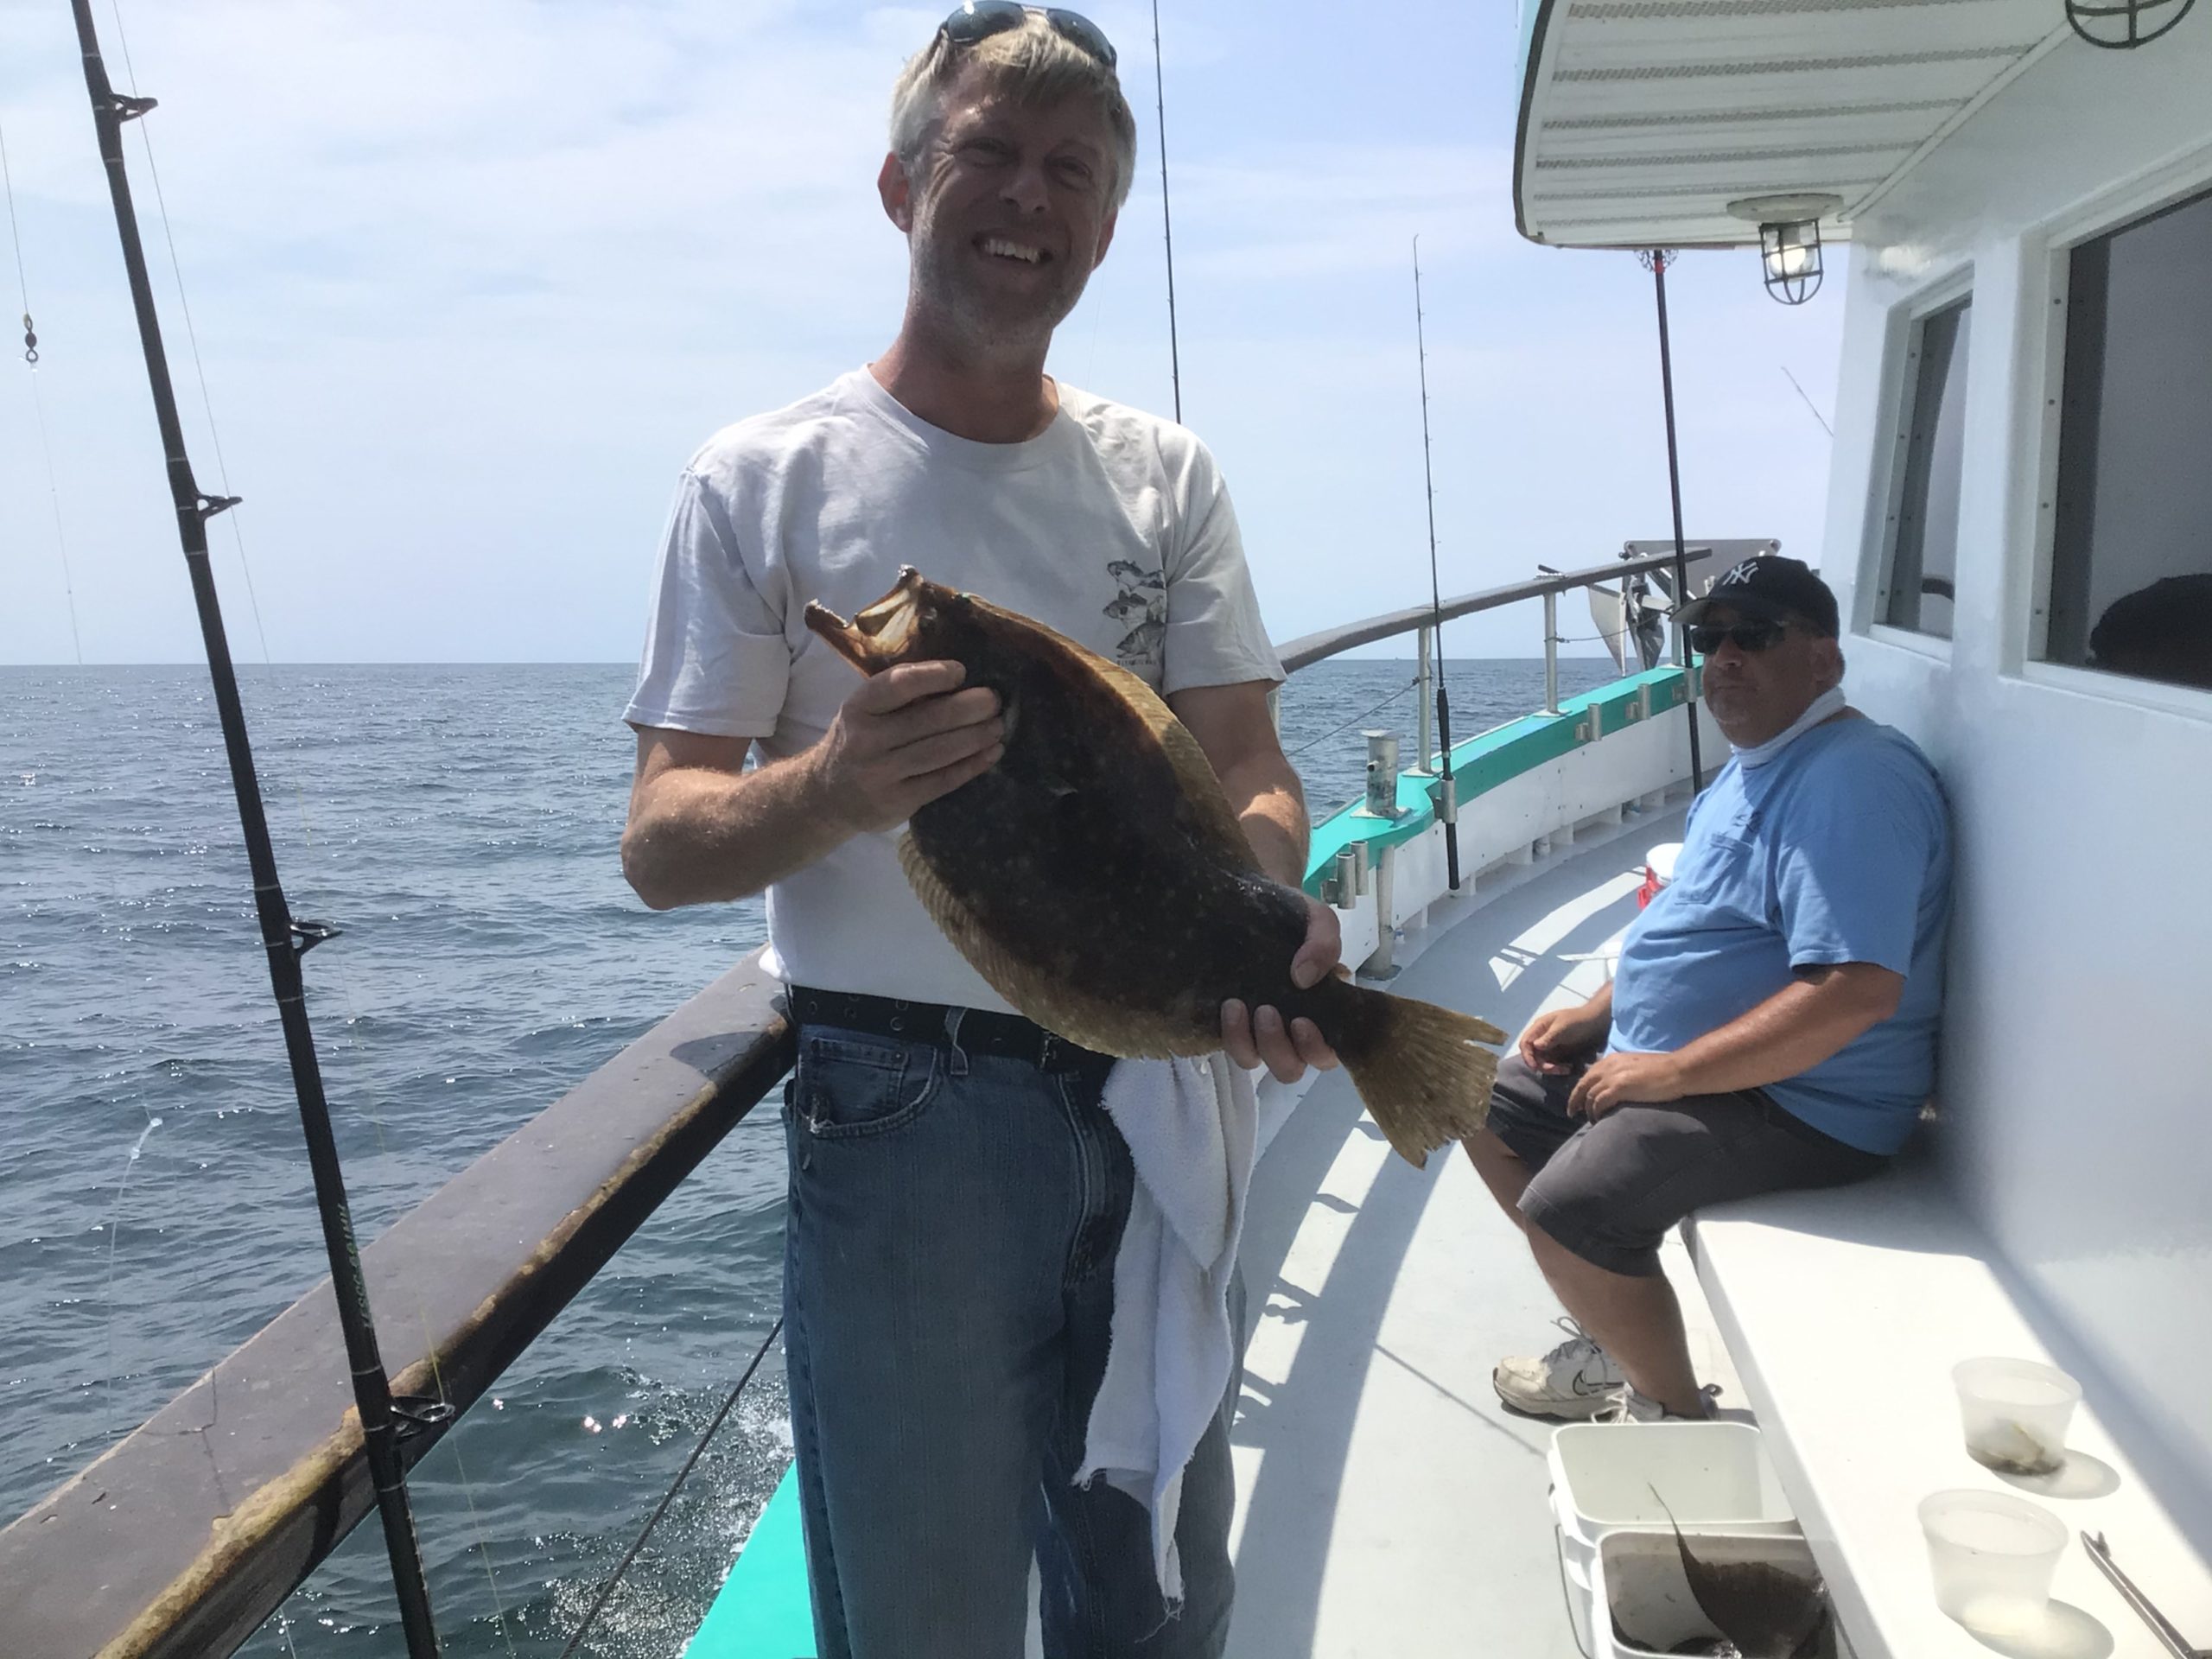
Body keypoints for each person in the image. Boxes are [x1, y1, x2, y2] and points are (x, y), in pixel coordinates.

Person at [618, 9, 1338, 1655]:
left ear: (1105, 222)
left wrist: (1266, 905)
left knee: (1153, 1586)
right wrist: (839, 789)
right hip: (909, 1119)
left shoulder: (1166, 476)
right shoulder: (762, 479)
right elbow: (660, 844)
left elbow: (1248, 766)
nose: (1029, 197)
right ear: (899, 188)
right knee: (928, 1610)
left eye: (1070, 171)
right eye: (988, 155)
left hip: (1164, 1085)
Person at [1465, 556, 1952, 1422]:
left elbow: (1856, 991)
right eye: (1707, 637)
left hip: (1807, 1102)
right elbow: (1701, 919)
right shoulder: (1753, 765)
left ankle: (1672, 1417)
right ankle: (1613, 1333)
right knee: (1480, 1106)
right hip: (1696, 1072)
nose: (1724, 655)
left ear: (1823, 663)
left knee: (1569, 1210)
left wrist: (1675, 1072)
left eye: (1754, 635)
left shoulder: (1853, 781)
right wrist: (1596, 1014)